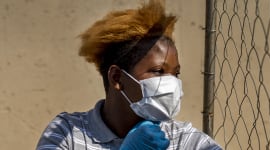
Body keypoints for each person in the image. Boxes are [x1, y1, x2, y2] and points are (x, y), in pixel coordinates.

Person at [36, 0, 222, 149]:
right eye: (158, 71)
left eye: (176, 74)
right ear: (117, 78)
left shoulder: (185, 140)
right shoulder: (66, 132)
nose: (172, 83)